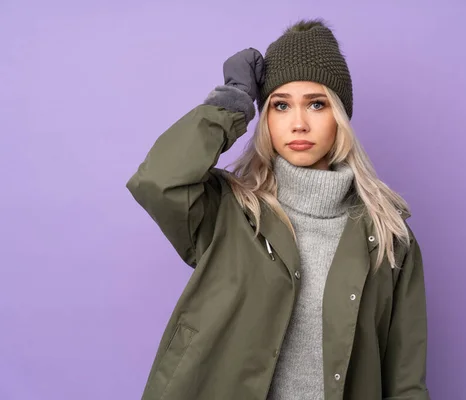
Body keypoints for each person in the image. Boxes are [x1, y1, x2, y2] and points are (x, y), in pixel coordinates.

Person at [126, 18, 430, 400]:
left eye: (316, 104)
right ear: (265, 117)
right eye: (281, 105)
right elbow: (158, 180)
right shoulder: (229, 211)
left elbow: (405, 382)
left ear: (339, 116)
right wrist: (230, 104)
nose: (298, 123)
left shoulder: (388, 236)